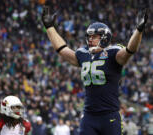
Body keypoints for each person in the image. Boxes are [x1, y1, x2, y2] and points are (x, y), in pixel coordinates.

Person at [41, 6, 148, 135]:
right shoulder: (83, 54)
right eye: (89, 36)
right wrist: (49, 27)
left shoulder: (113, 52)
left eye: (94, 36)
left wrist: (139, 30)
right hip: (89, 116)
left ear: (105, 37)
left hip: (110, 116)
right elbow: (62, 49)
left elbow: (130, 50)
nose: (90, 39)